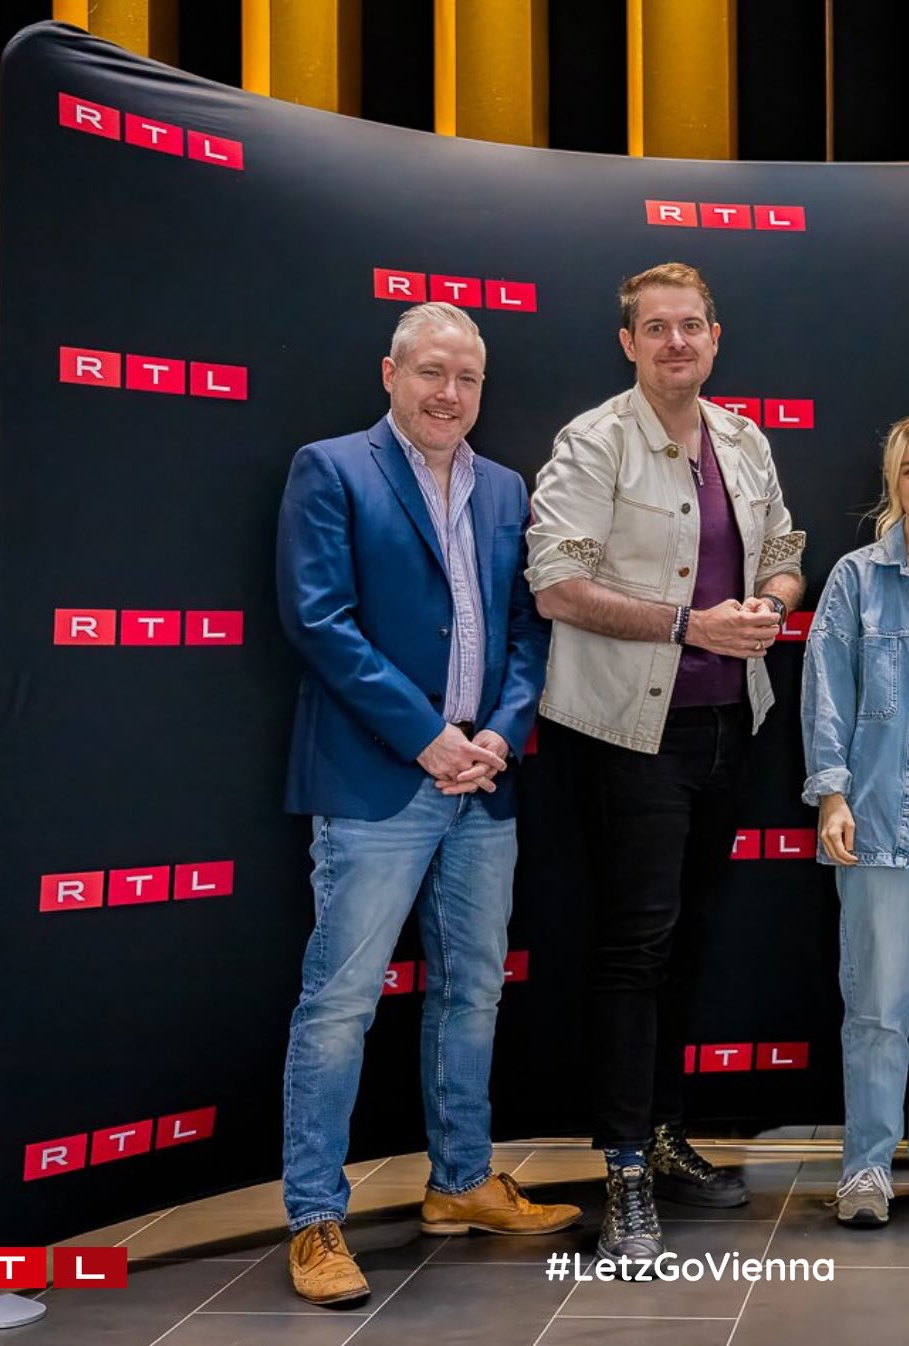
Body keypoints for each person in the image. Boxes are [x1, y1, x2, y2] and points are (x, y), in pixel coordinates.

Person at [276, 302, 579, 1307]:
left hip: (483, 783)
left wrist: (500, 731)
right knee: (340, 1003)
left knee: (472, 990)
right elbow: (319, 620)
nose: (450, 393)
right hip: (379, 781)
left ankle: (461, 1182)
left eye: (468, 378)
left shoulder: (507, 487)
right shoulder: (332, 469)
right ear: (391, 373)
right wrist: (427, 735)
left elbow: (529, 629)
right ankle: (314, 1216)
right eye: (432, 372)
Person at [525, 262, 805, 1264]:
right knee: (634, 949)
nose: (676, 342)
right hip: (628, 735)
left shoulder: (743, 438)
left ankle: (661, 1130)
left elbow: (784, 546)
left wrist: (769, 600)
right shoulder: (593, 441)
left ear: (715, 338)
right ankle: (623, 1170)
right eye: (657, 328)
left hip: (729, 726)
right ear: (629, 343)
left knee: (687, 942)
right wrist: (691, 624)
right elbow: (556, 583)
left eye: (692, 326)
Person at [801, 415, 909, 1227]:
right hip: (878, 828)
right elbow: (827, 692)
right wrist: (832, 795)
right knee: (876, 1010)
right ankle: (868, 1168)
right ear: (894, 483)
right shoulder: (857, 579)